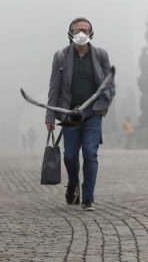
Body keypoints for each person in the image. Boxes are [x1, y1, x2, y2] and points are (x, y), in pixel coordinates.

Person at [46, 17, 115, 211]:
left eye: (85, 30)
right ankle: (73, 183)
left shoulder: (101, 55)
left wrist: (102, 105)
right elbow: (54, 88)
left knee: (90, 154)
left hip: (93, 114)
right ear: (70, 33)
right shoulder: (60, 56)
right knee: (69, 156)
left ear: (91, 33)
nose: (82, 34)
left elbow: (109, 84)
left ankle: (88, 198)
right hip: (70, 114)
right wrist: (50, 117)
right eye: (77, 30)